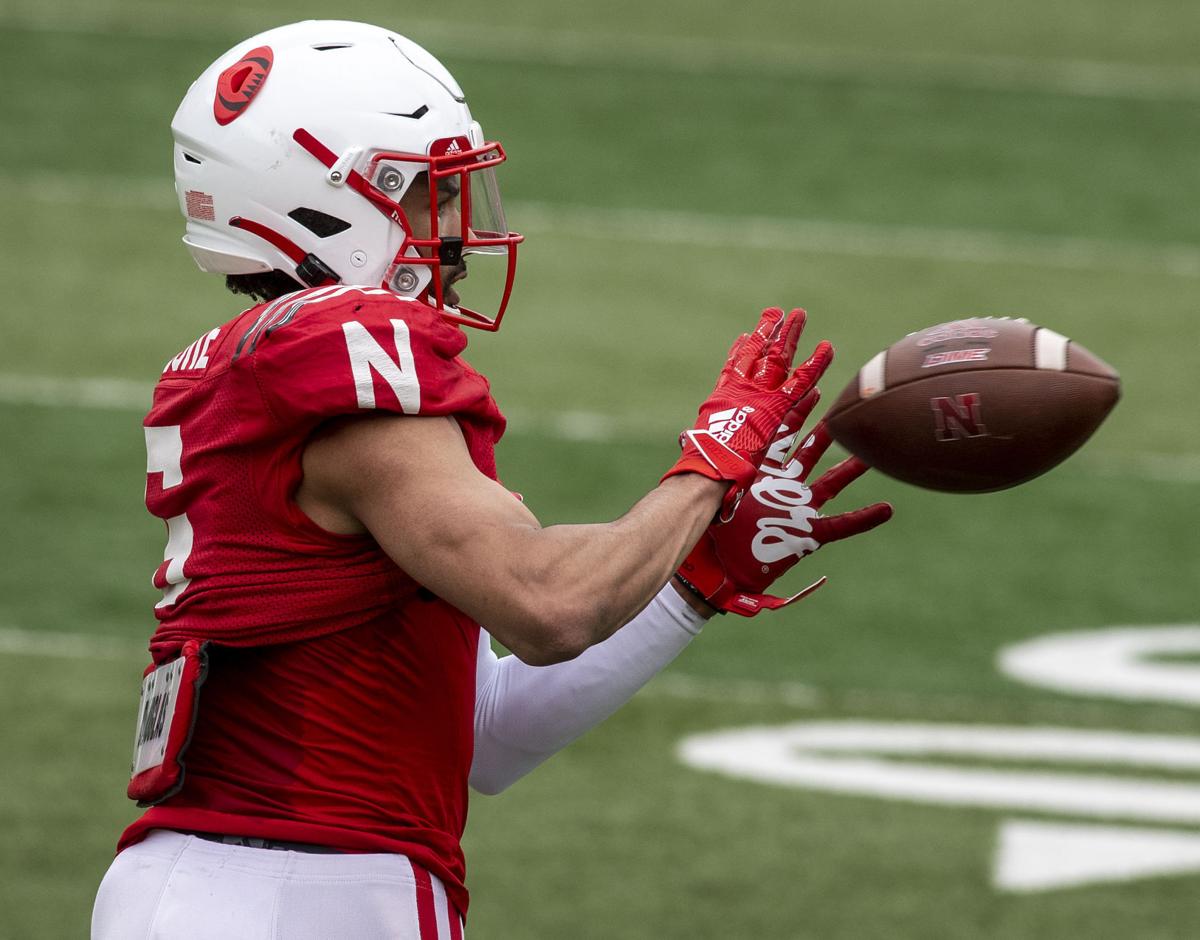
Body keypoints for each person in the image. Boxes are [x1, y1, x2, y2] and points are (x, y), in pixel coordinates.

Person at [91, 20, 892, 940]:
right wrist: (709, 464)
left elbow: (490, 733)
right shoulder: (340, 350)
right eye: (430, 191)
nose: (464, 228)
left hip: (247, 882)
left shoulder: (273, 368)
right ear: (317, 203)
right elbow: (548, 604)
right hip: (302, 887)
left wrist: (693, 580)